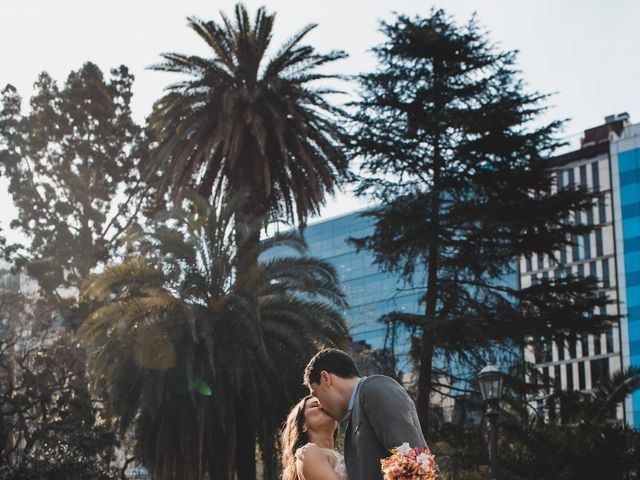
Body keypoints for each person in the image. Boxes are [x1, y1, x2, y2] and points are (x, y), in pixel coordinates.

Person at [303, 348, 427, 480]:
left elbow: (411, 459)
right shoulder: (360, 405)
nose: (320, 404)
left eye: (316, 394)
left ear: (325, 378)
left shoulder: (374, 389)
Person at [280, 395, 347, 480]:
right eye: (315, 405)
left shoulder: (346, 454)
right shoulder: (308, 453)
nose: (323, 406)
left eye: (326, 404)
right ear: (302, 425)